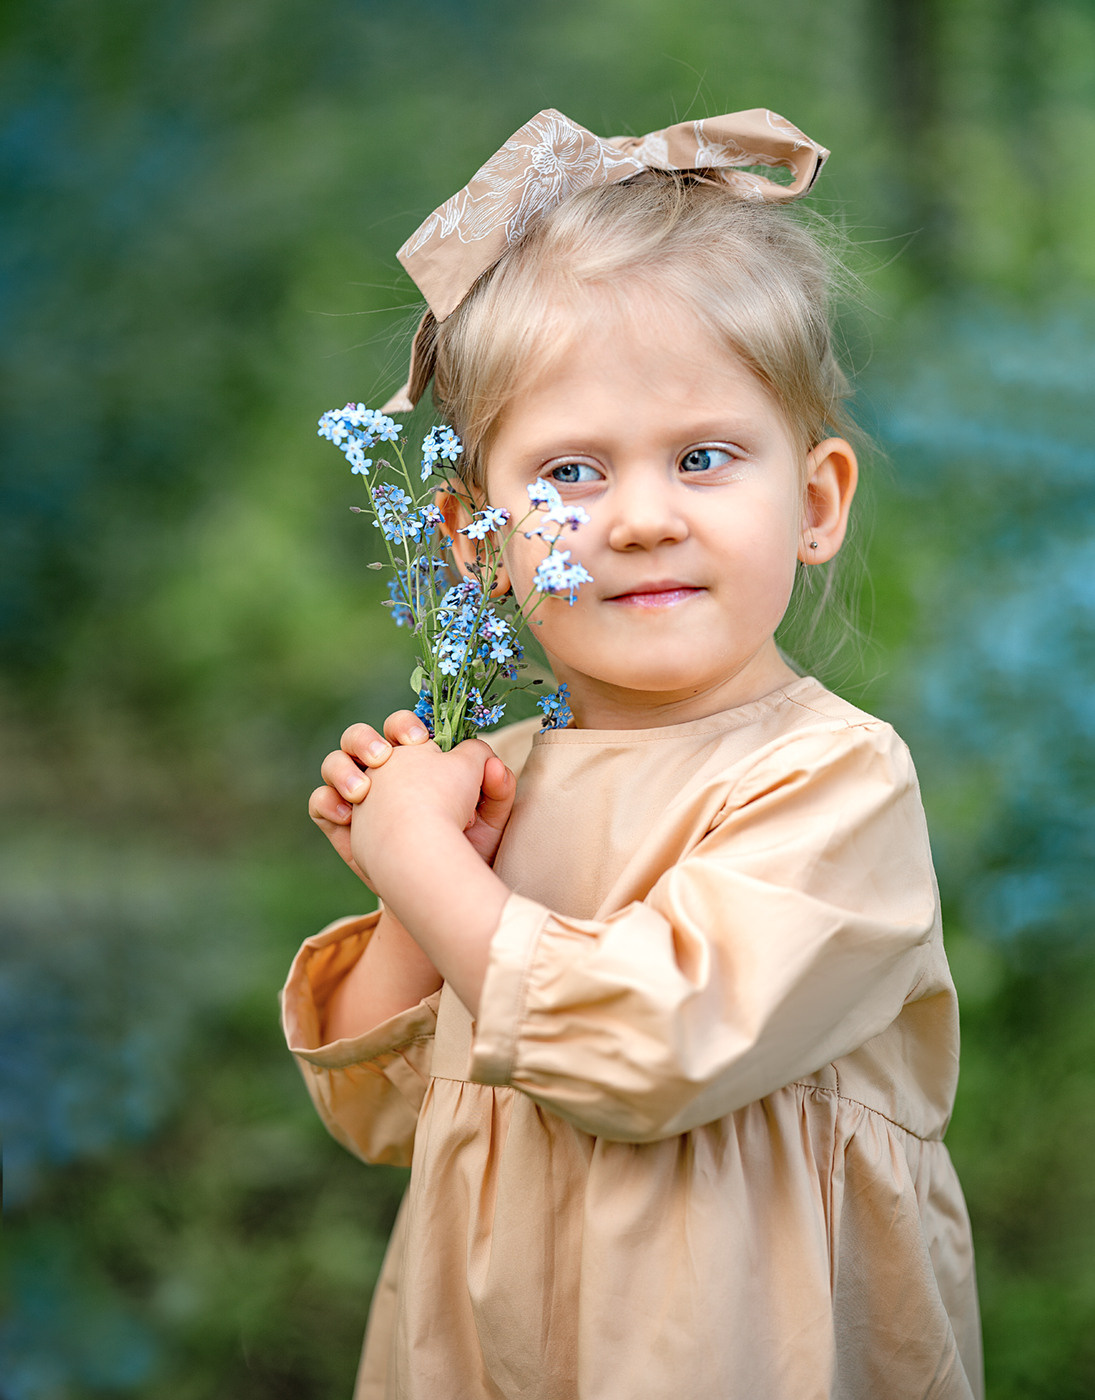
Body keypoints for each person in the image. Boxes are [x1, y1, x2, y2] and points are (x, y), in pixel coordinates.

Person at [282, 109, 983, 1400]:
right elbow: (385, 1113)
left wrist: (427, 862)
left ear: (816, 501)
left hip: (742, 1352)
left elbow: (651, 1045)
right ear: (473, 538)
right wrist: (407, 877)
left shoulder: (835, 782)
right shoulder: (498, 772)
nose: (644, 519)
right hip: (488, 1355)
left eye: (704, 458)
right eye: (570, 473)